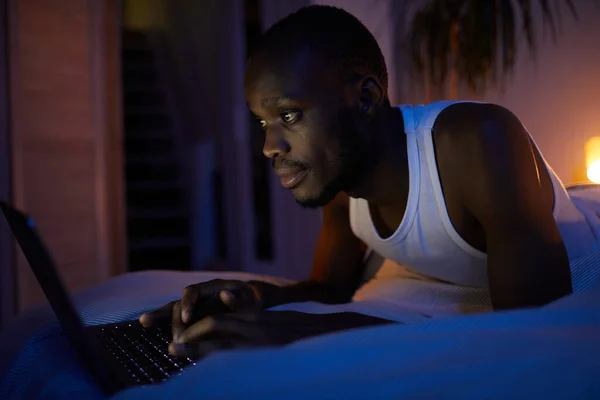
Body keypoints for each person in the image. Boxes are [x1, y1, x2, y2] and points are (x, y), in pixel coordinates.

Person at [140, 5, 598, 357]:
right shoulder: (342, 183)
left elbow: (529, 334)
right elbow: (329, 289)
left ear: (365, 97)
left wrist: (313, 332)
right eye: (264, 123)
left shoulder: (478, 141)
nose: (270, 146)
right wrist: (254, 298)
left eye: (289, 115)